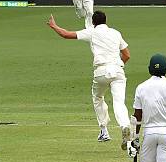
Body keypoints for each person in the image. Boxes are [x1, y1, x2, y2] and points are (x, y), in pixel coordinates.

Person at [47, 11, 132, 148]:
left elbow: (66, 34)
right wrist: (118, 65)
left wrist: (54, 26)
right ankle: (125, 126)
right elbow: (127, 55)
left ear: (93, 22)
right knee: (119, 102)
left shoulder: (91, 32)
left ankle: (104, 130)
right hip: (117, 70)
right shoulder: (116, 33)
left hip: (101, 71)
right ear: (106, 20)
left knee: (98, 97)